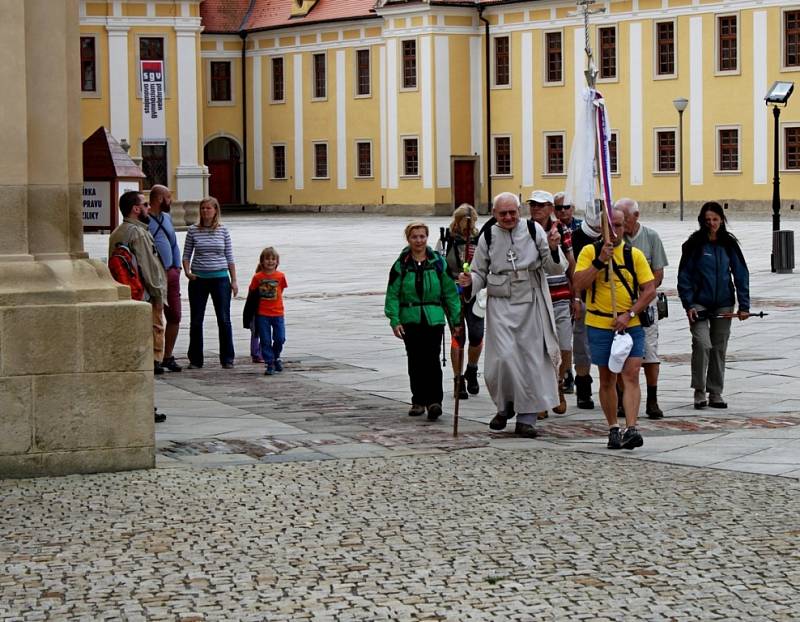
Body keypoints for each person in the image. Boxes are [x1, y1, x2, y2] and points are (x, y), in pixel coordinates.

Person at [457, 192, 565, 438]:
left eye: (512, 212)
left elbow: (552, 266)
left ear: (519, 211)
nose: (508, 217)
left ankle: (527, 419)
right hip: (501, 303)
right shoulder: (487, 235)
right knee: (503, 359)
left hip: (531, 302)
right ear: (495, 214)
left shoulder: (533, 230)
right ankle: (504, 407)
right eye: (503, 213)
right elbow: (479, 272)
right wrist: (468, 282)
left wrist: (554, 248)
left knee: (531, 361)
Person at [573, 207, 656, 450]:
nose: (616, 231)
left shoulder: (634, 254)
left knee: (630, 375)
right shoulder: (589, 252)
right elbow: (578, 283)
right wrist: (599, 262)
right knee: (607, 378)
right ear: (602, 229)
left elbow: (649, 290)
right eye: (611, 226)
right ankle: (613, 427)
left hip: (630, 325)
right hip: (599, 324)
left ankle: (632, 427)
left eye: (619, 226)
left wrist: (630, 313)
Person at [385, 222, 461, 422]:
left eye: (422, 236)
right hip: (410, 317)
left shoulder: (438, 263)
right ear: (408, 239)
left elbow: (450, 293)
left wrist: (456, 320)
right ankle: (418, 399)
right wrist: (394, 319)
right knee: (416, 360)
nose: (419, 240)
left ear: (427, 238)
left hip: (433, 317)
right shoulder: (401, 264)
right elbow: (392, 294)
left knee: (432, 360)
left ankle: (435, 402)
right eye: (414, 237)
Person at [677, 202, 750, 409]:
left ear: (722, 220)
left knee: (719, 347)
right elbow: (684, 276)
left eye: (715, 219)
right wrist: (688, 303)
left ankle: (715, 391)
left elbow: (741, 274)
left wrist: (744, 305)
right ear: (702, 221)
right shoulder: (694, 244)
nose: (712, 224)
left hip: (724, 303)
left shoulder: (729, 244)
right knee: (702, 344)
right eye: (708, 220)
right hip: (699, 303)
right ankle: (699, 390)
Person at [109, 190, 168, 422]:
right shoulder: (138, 234)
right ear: (136, 209)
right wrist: (159, 298)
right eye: (144, 205)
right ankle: (145, 405)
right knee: (150, 354)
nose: (148, 209)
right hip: (144, 300)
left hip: (126, 299)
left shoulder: (118, 232)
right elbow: (149, 269)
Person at [618, 197, 668, 419]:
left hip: (645, 305)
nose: (620, 223)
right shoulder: (614, 238)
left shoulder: (650, 237)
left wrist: (643, 291)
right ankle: (622, 398)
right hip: (620, 306)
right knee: (620, 351)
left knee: (649, 352)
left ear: (636, 216)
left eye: (624, 219)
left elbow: (658, 274)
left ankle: (652, 399)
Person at [528, 190, 576, 418]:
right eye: (532, 205)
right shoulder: (525, 230)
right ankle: (540, 397)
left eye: (540, 205)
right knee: (538, 349)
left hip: (559, 295)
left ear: (549, 208)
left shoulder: (562, 230)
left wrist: (575, 296)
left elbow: (571, 263)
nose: (535, 209)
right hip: (536, 297)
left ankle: (559, 384)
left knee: (565, 344)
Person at [182, 196, 238, 369]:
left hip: (220, 278)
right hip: (199, 279)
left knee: (224, 319)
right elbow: (186, 254)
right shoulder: (193, 230)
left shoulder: (223, 230)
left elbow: (229, 256)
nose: (205, 211)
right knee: (196, 320)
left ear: (215, 211)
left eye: (208, 208)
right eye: (203, 208)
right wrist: (188, 272)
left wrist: (234, 280)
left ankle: (227, 358)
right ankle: (195, 359)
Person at [442, 204, 484, 400]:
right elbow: (440, 267)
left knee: (477, 335)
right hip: (454, 295)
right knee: (458, 336)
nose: (467, 227)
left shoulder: (480, 239)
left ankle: (472, 369)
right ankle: (458, 379)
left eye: (471, 223)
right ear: (456, 222)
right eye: (463, 223)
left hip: (475, 293)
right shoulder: (446, 240)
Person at [147, 184, 182, 373]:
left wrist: (176, 267)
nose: (171, 201)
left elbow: (174, 243)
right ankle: (155, 357)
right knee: (156, 317)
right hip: (156, 275)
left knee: (175, 315)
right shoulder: (145, 220)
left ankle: (168, 355)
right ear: (160, 199)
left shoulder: (167, 217)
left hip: (172, 274)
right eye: (169, 197)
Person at [247, 247, 288, 376]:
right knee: (265, 340)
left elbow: (281, 291)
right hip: (262, 314)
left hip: (278, 313)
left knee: (280, 338)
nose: (270, 261)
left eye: (273, 259)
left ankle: (276, 357)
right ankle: (269, 363)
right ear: (262, 261)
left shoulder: (281, 276)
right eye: (267, 259)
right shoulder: (257, 277)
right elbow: (252, 293)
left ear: (277, 261)